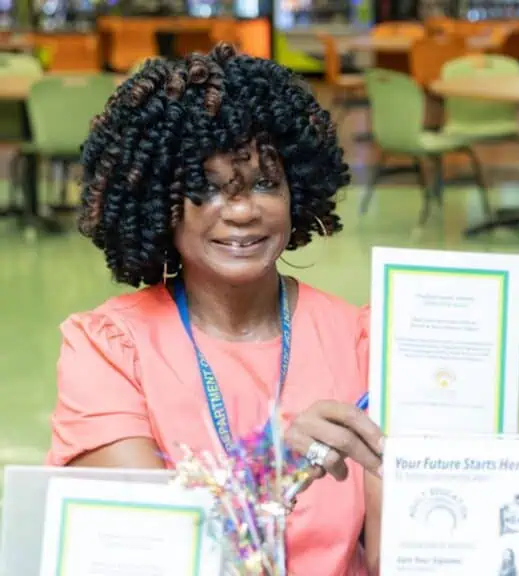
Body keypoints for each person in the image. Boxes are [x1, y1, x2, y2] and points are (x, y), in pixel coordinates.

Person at [47, 45, 383, 576]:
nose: (244, 210)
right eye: (204, 189)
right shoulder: (109, 352)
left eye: (266, 183)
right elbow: (143, 549)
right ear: (157, 202)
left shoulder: (364, 342)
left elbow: (408, 552)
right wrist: (272, 470)